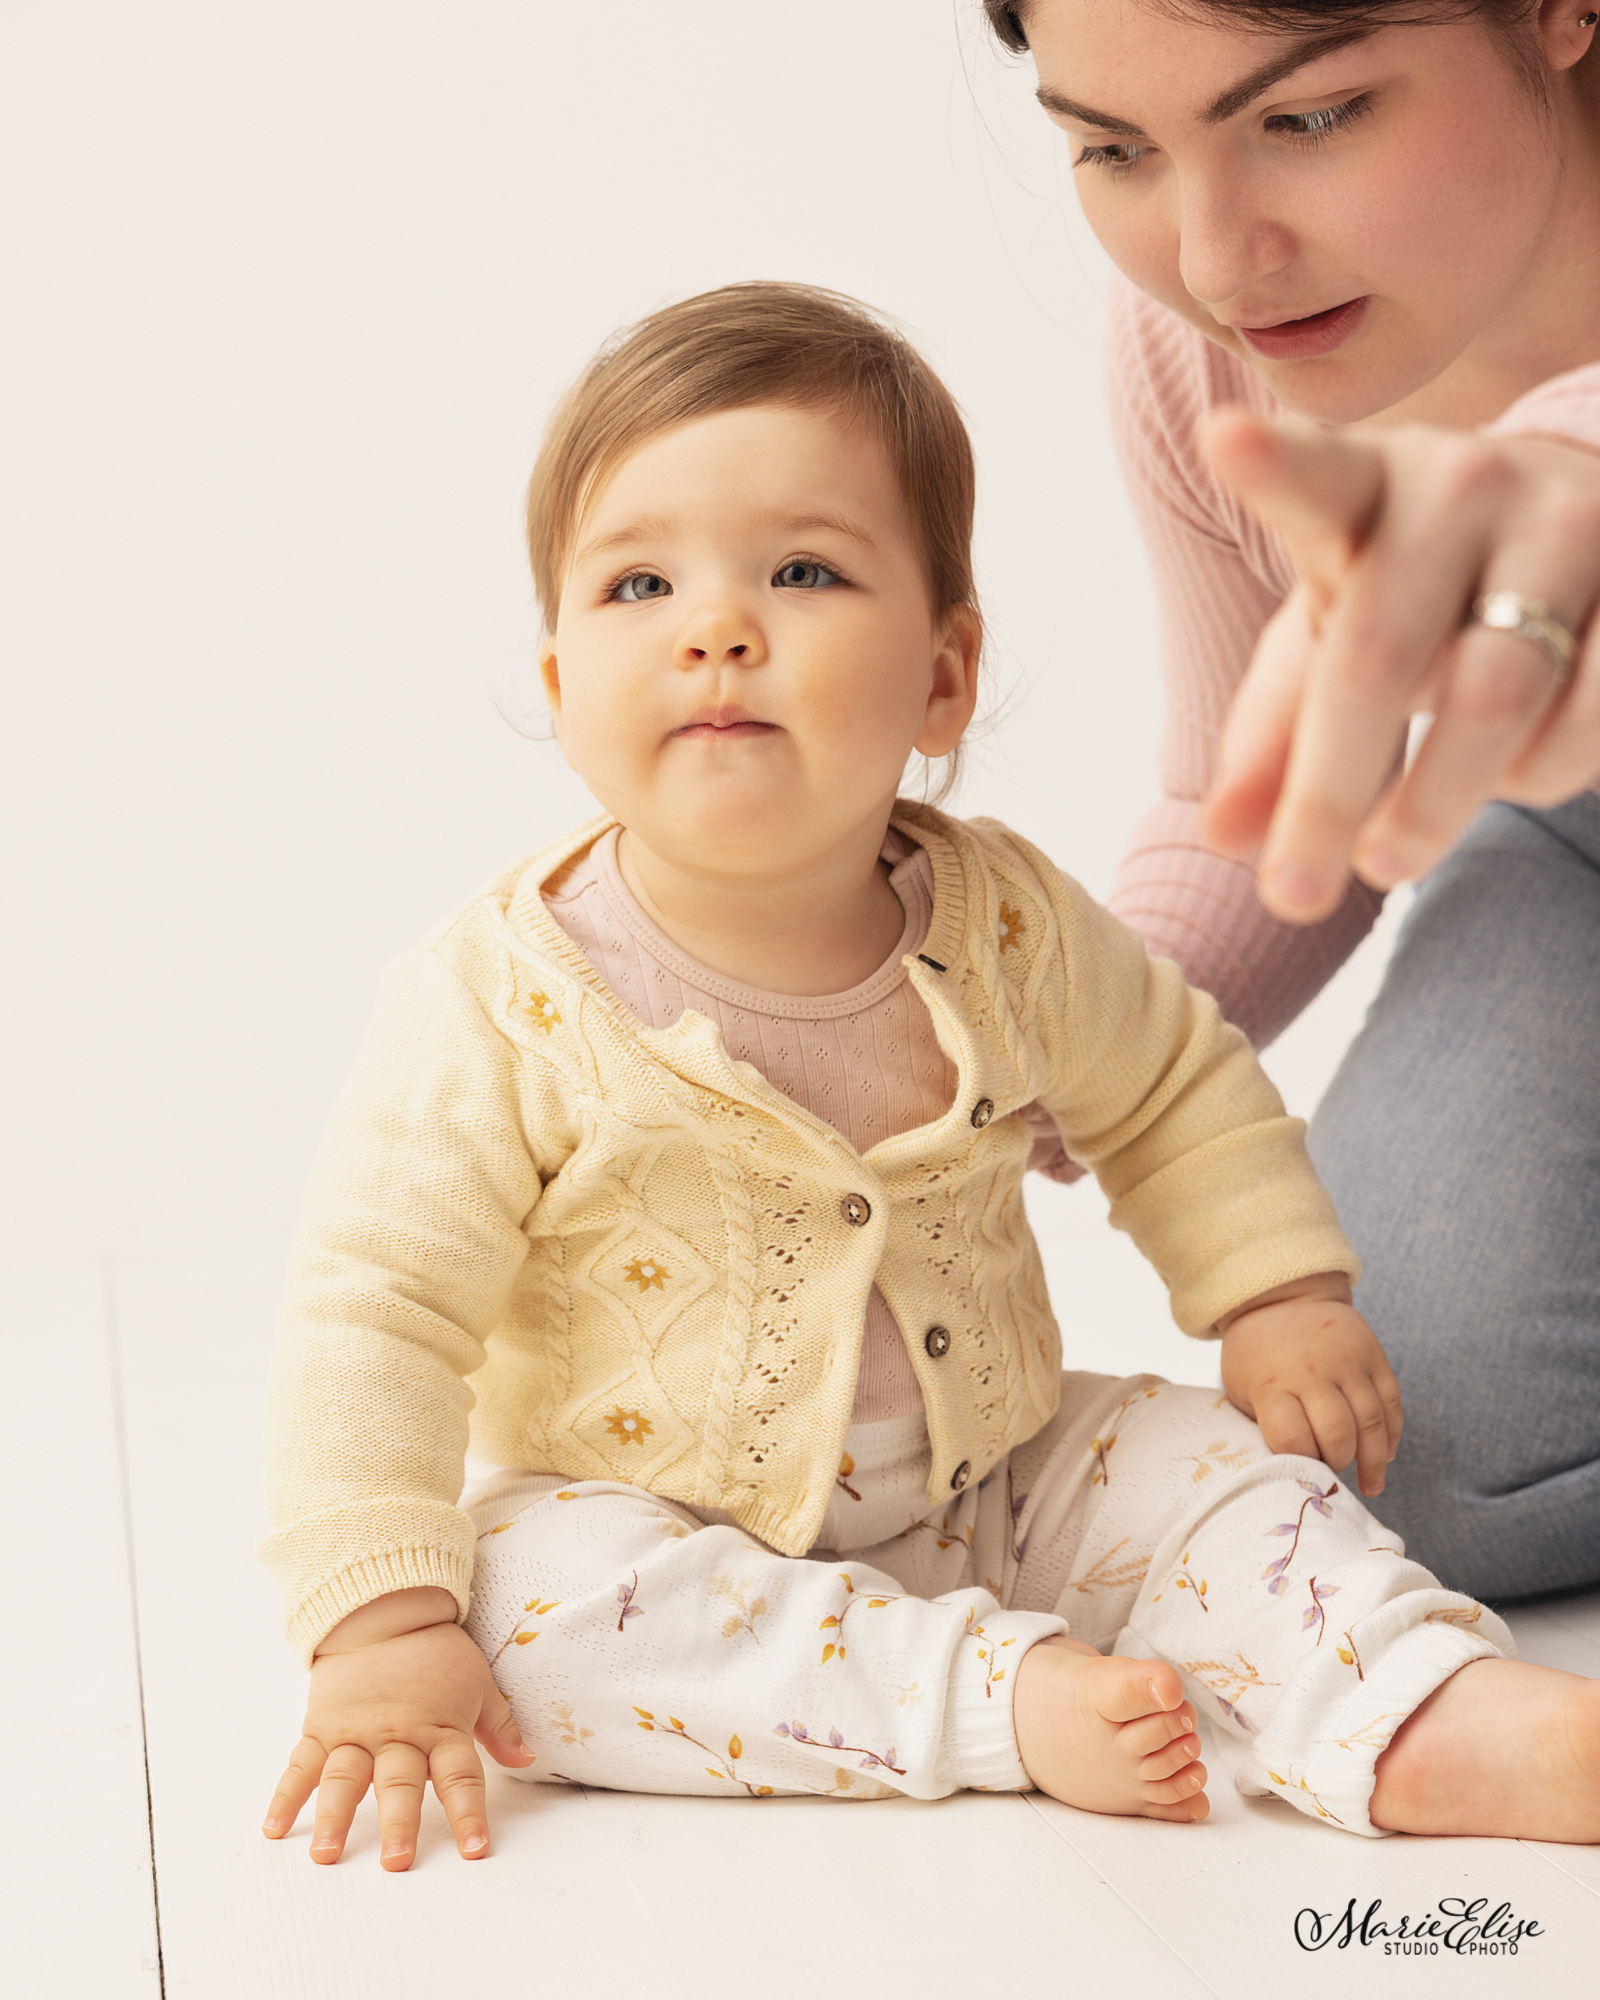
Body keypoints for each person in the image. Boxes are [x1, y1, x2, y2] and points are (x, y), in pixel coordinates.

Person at [258, 282, 1598, 1872]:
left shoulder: (1004, 920)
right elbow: (377, 1307)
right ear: (559, 687)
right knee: (535, 1621)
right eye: (637, 584)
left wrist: (1276, 1293)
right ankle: (993, 1699)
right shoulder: (503, 998)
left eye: (804, 571)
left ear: (944, 678)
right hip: (658, 1520)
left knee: (1227, 1478)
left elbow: (1170, 1083)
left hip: (1004, 1476)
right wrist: (384, 1625)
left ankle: (1428, 1711)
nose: (716, 627)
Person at [981, 0, 1600, 1599]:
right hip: (1569, 836)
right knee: (1414, 1444)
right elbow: (1251, 804)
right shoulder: (1216, 356)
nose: (1213, 260)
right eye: (1114, 148)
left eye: (1311, 119)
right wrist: (1054, 1045)